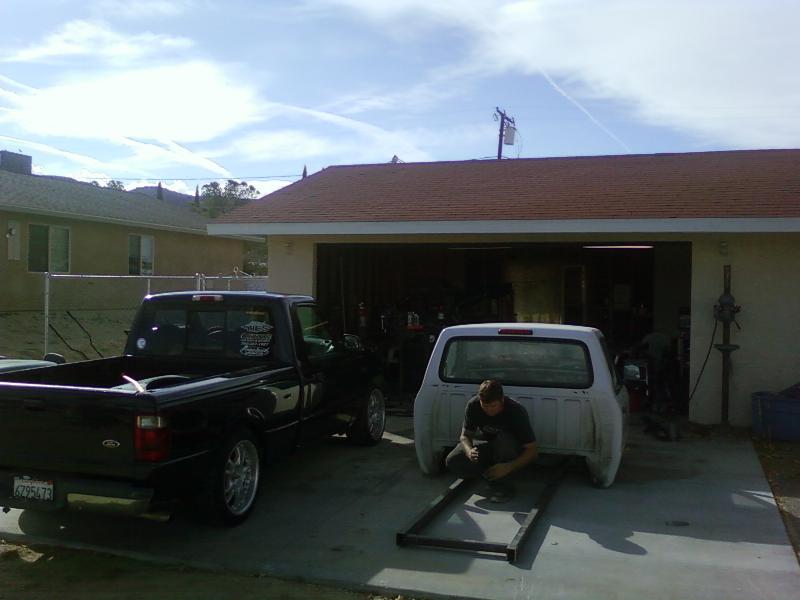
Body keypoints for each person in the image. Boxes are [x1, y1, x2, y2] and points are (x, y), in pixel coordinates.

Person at [445, 379, 538, 502]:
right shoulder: (473, 405)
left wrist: (509, 466)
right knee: (453, 460)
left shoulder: (516, 411)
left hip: (510, 450)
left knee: (504, 440)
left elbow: (532, 450)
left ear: (502, 400)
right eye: (485, 406)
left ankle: (504, 485)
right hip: (488, 444)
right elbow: (465, 436)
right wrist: (469, 451)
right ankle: (489, 475)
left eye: (493, 406)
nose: (489, 410)